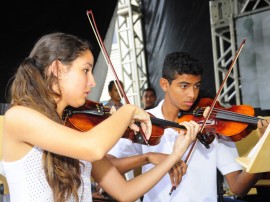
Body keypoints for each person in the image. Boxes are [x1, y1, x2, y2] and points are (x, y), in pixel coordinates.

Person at [1, 33, 201, 202]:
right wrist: (127, 111)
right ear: (57, 69)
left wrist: (174, 155)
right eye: (86, 70)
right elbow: (93, 148)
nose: (93, 82)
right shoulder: (18, 117)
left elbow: (125, 192)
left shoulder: (75, 128)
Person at [107, 51, 270, 202]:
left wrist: (264, 150)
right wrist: (148, 157)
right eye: (184, 86)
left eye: (197, 86)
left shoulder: (213, 126)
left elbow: (238, 187)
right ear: (164, 84)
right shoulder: (145, 121)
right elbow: (108, 165)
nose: (192, 94)